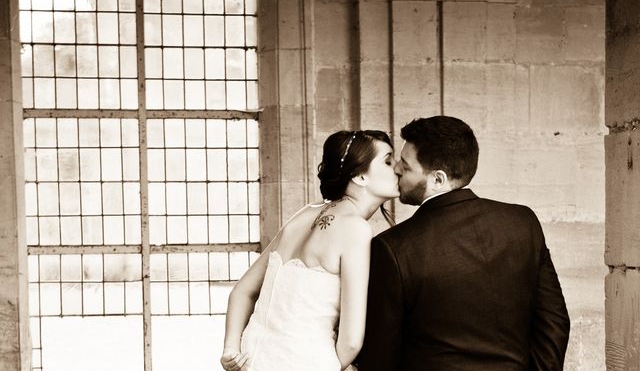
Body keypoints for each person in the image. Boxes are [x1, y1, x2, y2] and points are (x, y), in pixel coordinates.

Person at [357, 116, 570, 371]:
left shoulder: (393, 247)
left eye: (406, 165)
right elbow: (555, 322)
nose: (397, 170)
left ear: (438, 179)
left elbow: (381, 355)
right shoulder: (523, 222)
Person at [220, 130, 399, 371]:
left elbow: (242, 291)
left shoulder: (303, 214)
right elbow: (352, 340)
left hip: (253, 358)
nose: (397, 168)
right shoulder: (355, 228)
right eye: (388, 161)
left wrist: (231, 350)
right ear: (359, 176)